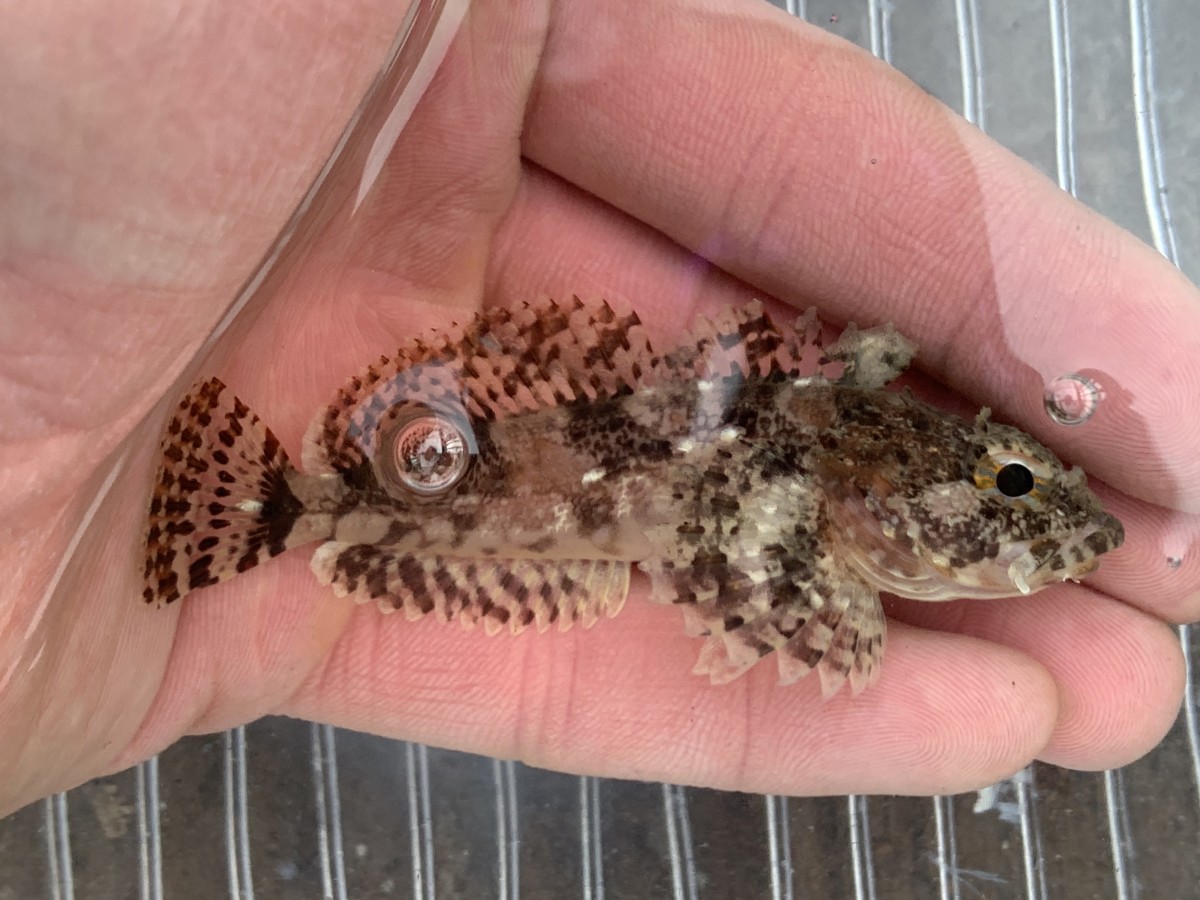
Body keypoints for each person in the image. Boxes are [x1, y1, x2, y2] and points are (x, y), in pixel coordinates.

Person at [2, 0, 1196, 818]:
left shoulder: (842, 437)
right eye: (1013, 484)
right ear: (902, 491)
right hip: (545, 469)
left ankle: (286, 505)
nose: (1046, 519)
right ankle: (280, 505)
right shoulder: (828, 459)